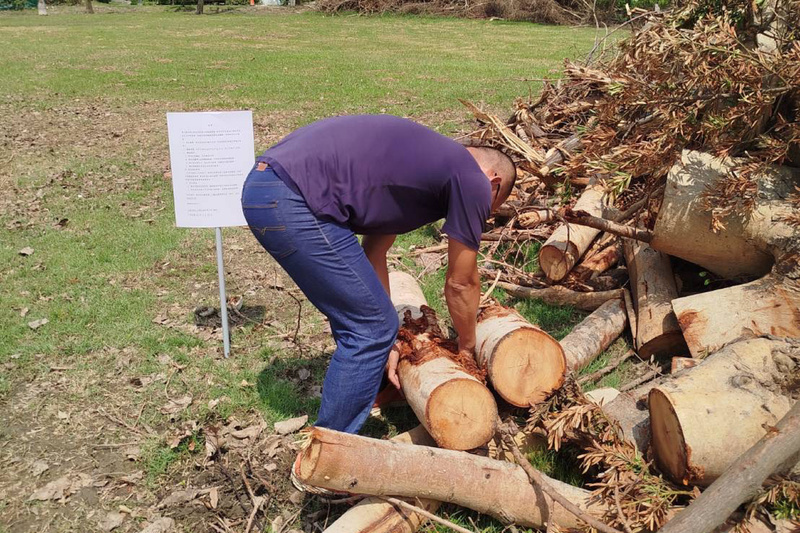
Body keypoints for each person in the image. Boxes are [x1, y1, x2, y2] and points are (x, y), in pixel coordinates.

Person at [241, 114, 516, 435]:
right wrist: (467, 347)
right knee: (370, 327)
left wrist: (391, 339)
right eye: (491, 208)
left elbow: (374, 253)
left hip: (266, 186)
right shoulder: (472, 179)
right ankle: (331, 452)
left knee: (371, 323)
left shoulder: (420, 168)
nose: (483, 214)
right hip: (291, 196)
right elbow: (460, 282)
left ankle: (370, 386)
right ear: (493, 183)